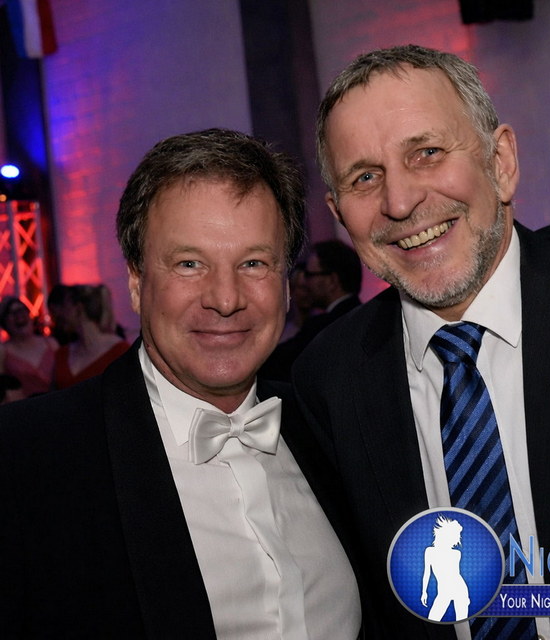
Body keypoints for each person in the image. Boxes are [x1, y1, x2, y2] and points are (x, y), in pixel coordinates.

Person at [292, 44, 550, 640]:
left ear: (500, 162)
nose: (400, 202)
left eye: (426, 153)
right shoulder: (327, 379)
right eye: (365, 177)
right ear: (339, 215)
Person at [0, 128, 362, 638]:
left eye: (254, 263)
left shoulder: (330, 427)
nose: (226, 298)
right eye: (189, 264)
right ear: (136, 281)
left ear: (286, 284)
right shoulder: (27, 458)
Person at [261, 239, 362, 380]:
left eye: (309, 275)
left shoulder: (322, 327)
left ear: (332, 281)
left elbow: (277, 364)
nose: (306, 283)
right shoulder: (366, 317)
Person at [52, 284, 129, 389]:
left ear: (78, 308)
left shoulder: (119, 351)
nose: (59, 314)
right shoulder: (62, 355)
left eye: (64, 307)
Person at [0, 296, 57, 398]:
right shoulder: (3, 351)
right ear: (5, 322)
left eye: (22, 310)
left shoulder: (51, 343)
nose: (19, 316)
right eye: (12, 313)